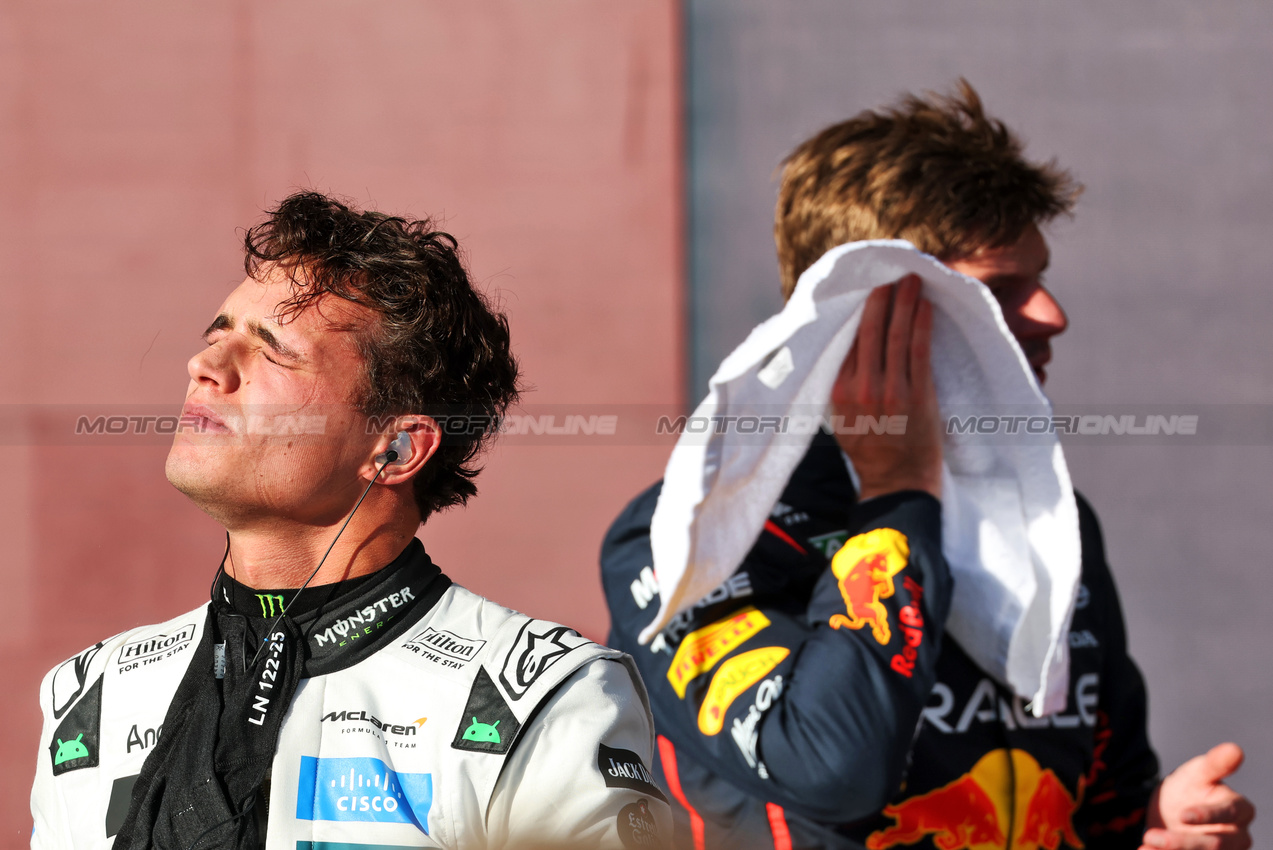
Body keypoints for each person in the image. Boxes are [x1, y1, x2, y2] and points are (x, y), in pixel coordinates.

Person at [601, 83, 1254, 850]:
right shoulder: (692, 537)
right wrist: (895, 494)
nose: (1052, 316)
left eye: (1039, 278)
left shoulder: (1054, 527)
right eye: (996, 291)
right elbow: (829, 764)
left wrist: (1149, 828)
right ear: (862, 312)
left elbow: (1097, 808)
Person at [32, 191, 671, 850]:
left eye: (270, 352)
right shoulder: (94, 694)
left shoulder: (540, 699)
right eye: (215, 336)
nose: (205, 368)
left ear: (393, 449)